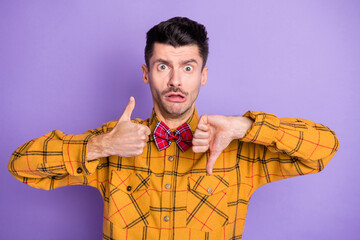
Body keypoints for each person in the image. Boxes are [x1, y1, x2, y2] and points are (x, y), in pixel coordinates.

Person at [8, 17, 339, 240]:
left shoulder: (238, 150)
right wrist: (101, 146)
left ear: (203, 75)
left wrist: (246, 126)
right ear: (146, 73)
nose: (176, 81)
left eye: (188, 67)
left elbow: (324, 149)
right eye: (163, 66)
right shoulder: (114, 140)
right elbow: (21, 167)